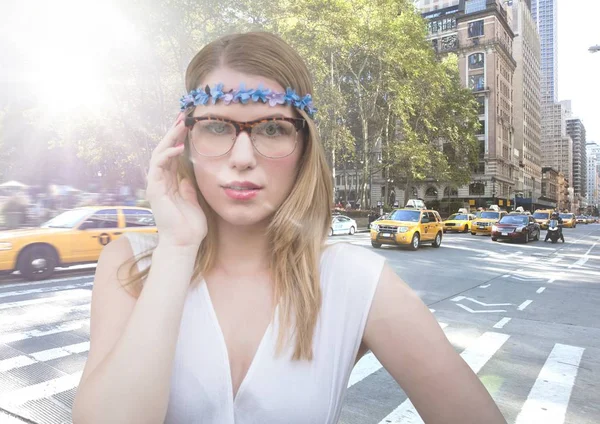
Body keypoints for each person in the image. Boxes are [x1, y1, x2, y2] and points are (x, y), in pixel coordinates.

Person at [72, 32, 506, 424]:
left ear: (303, 147)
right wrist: (177, 247)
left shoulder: (356, 282)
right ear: (185, 142)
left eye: (274, 129)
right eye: (218, 126)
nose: (242, 156)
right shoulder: (129, 266)